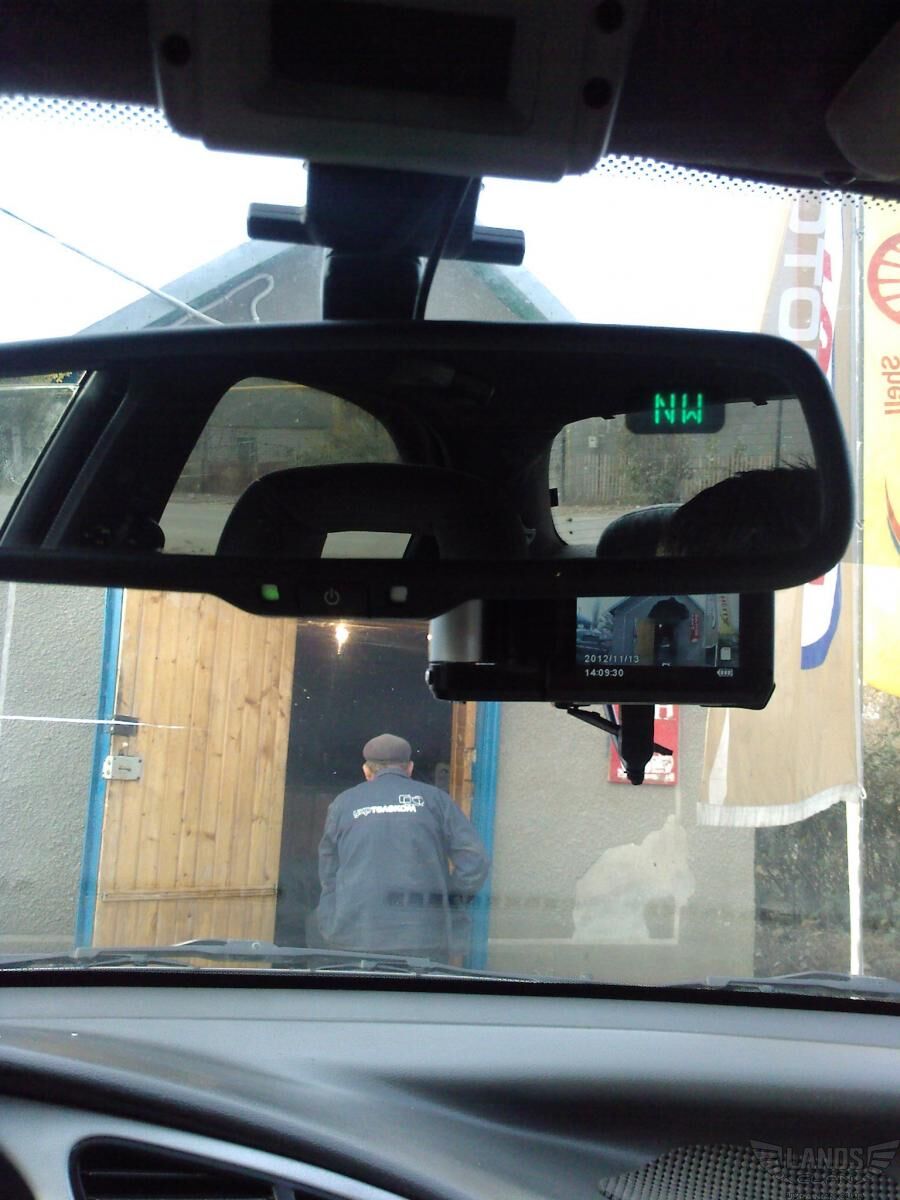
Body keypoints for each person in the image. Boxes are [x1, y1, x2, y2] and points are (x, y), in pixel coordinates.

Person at [317, 733, 490, 961]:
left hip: (357, 934)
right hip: (424, 936)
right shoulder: (435, 800)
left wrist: (332, 916)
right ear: (409, 768)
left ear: (366, 771)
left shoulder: (343, 804)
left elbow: (328, 871)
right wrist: (449, 902)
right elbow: (474, 860)